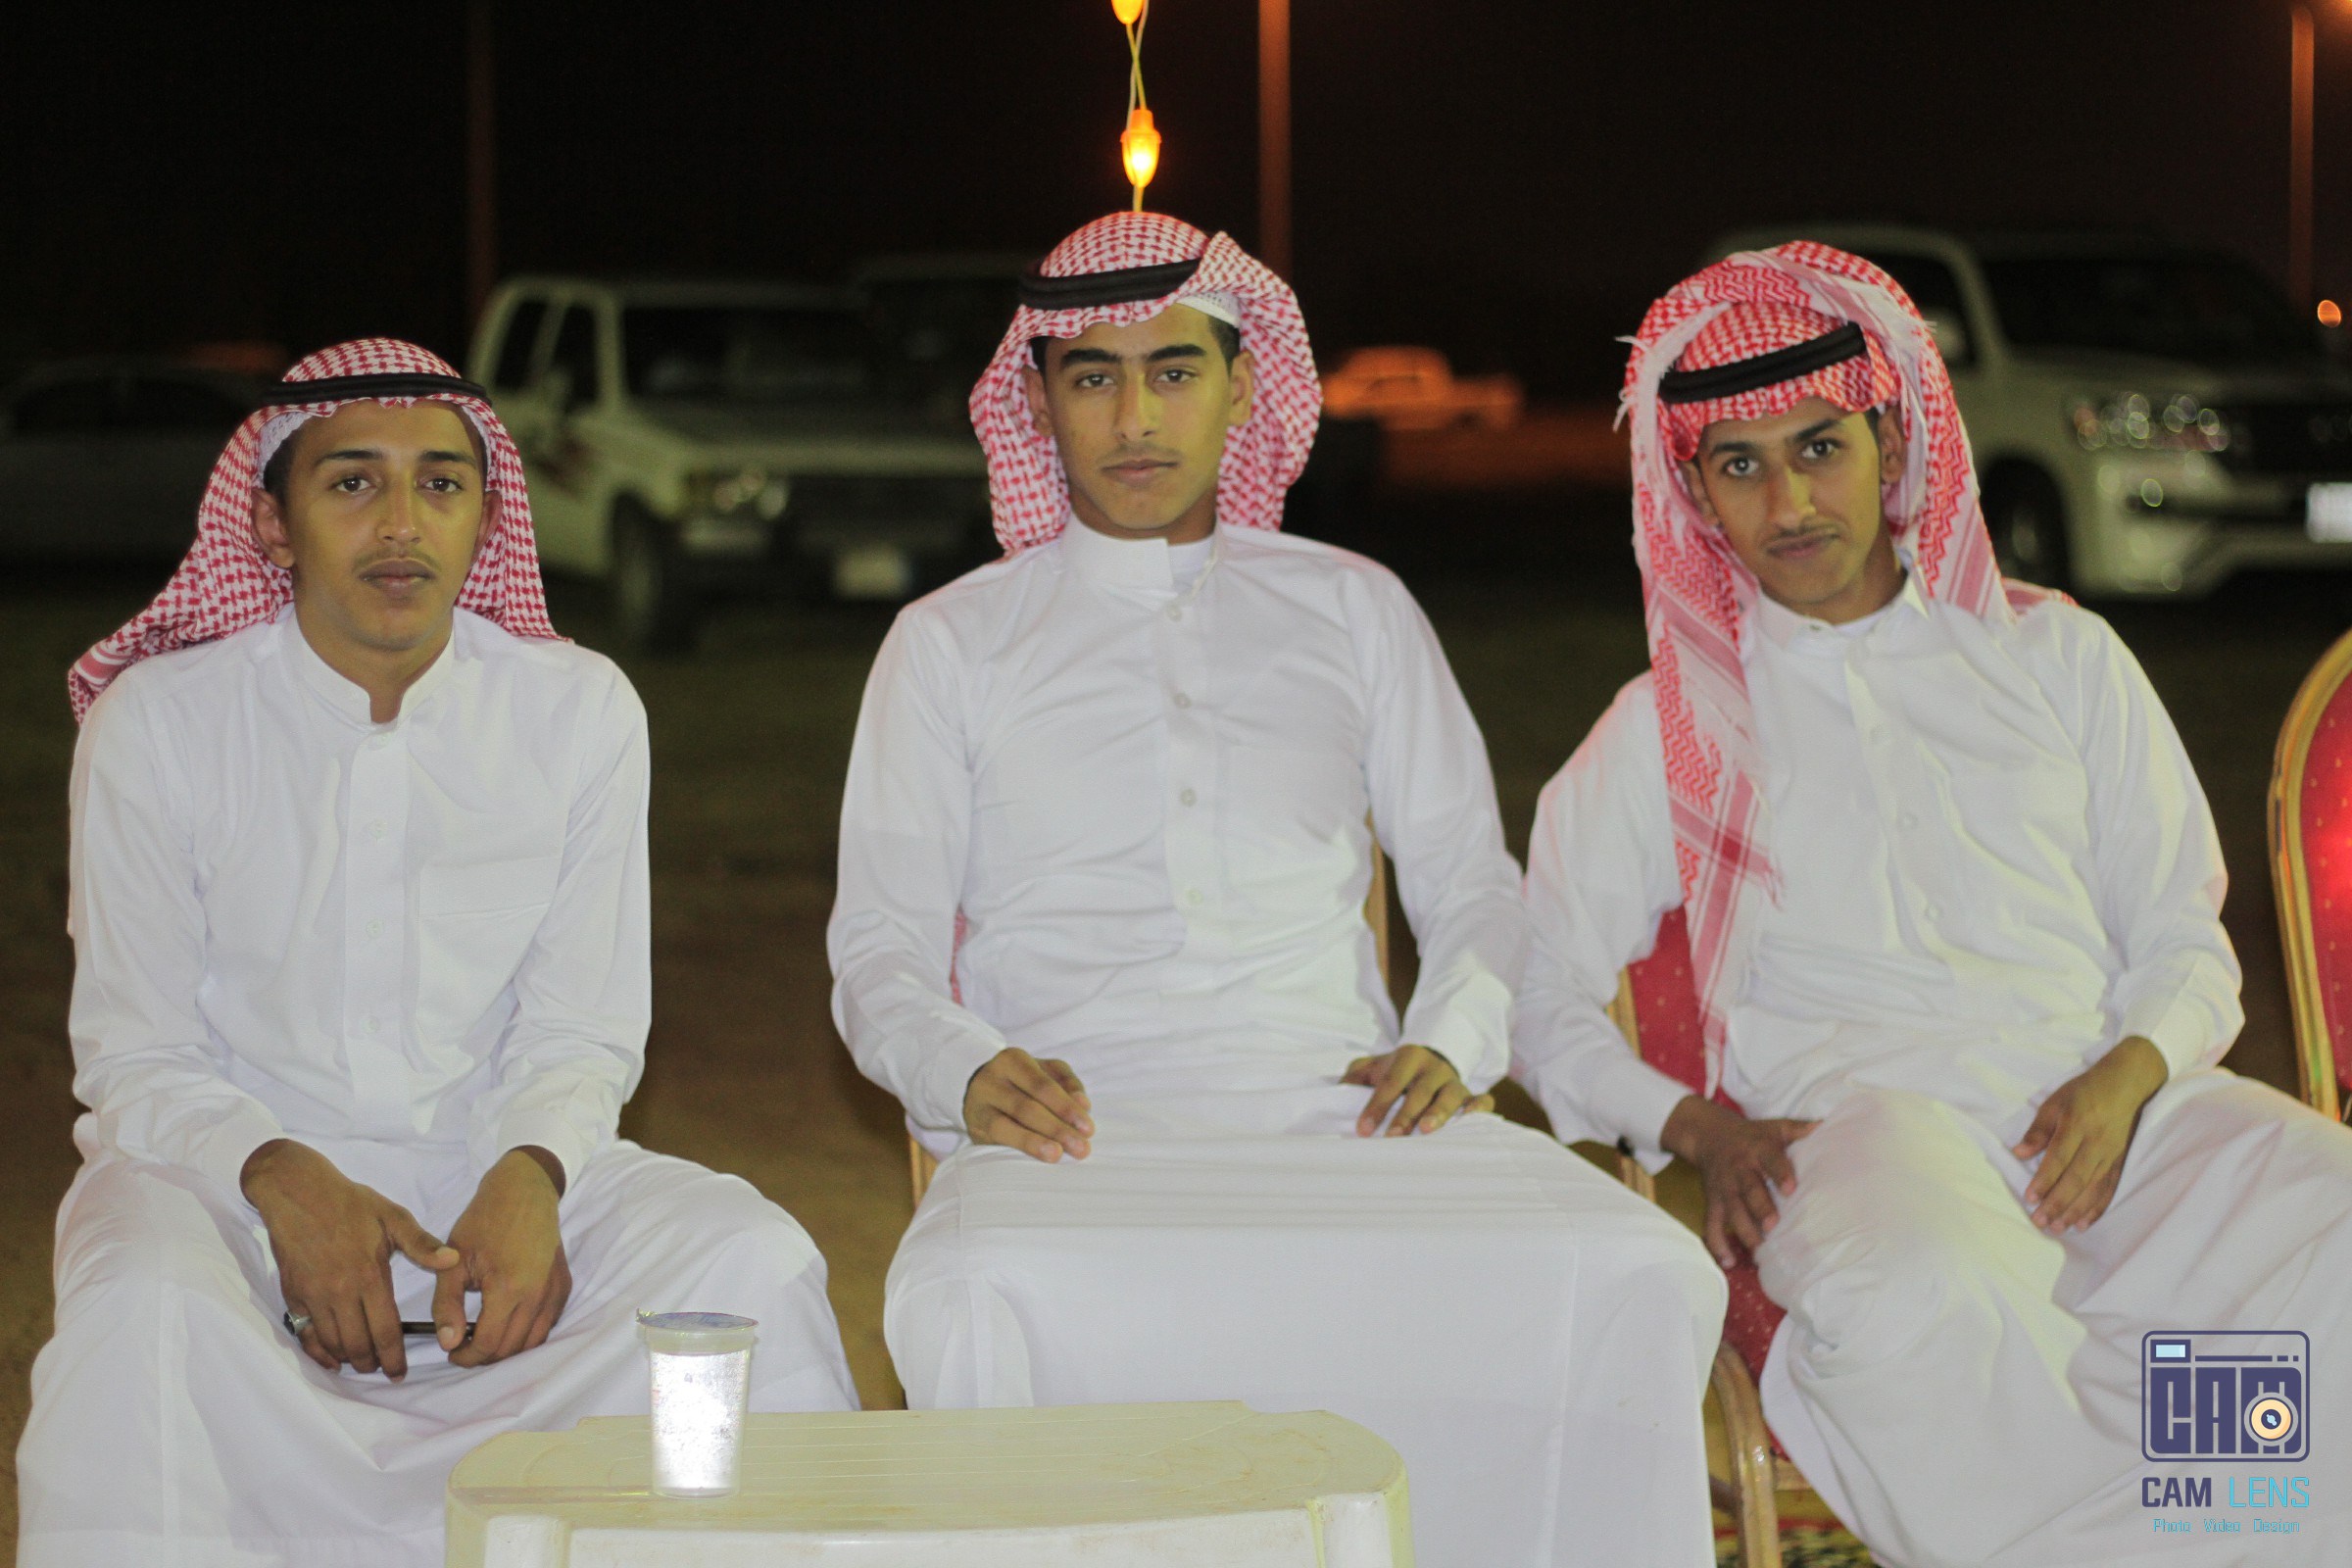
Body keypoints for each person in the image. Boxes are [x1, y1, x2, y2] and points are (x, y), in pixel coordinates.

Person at [828, 212, 1726, 1568]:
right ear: (1039, 400)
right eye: (1093, 376)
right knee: (974, 1289)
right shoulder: (948, 643)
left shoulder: (1356, 609)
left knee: (1638, 1270)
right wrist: (964, 1069)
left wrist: (1453, 1038)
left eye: (1175, 371)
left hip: (1345, 1111)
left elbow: (1474, 889)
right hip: (1080, 1131)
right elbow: (880, 952)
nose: (1136, 417)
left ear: (1244, 386)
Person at [1514, 242, 2352, 1567]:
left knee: (2326, 1212)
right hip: (1874, 1137)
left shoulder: (2056, 654)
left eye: (1820, 447)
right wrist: (1695, 1131)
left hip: (2114, 1113)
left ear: (1892, 444)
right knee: (1926, 1295)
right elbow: (1539, 989)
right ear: (1696, 492)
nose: (1790, 499)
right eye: (1741, 465)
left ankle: (2226, 1536)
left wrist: (2131, 1074)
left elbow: (2184, 938)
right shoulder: (1670, 728)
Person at [17, 339, 856, 1568]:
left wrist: (533, 1170)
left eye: (442, 484)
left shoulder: (578, 712)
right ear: (271, 522)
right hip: (223, 1197)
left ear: (486, 517)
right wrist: (280, 1180)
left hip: (491, 1175)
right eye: (353, 482)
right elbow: (135, 1054)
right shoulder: (161, 725)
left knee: (750, 1265)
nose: (402, 523)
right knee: (136, 1314)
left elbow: (580, 1029)